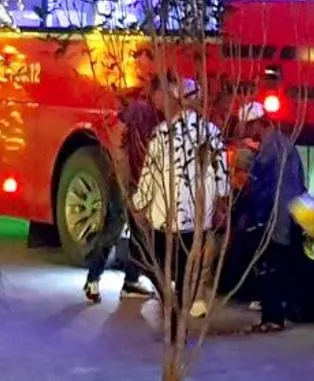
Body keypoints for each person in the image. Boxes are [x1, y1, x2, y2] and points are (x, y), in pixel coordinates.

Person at [132, 79, 228, 320]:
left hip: (164, 217)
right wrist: (220, 204)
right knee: (188, 269)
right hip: (197, 219)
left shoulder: (162, 134)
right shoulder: (212, 133)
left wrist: (139, 204)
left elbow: (148, 175)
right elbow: (222, 179)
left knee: (161, 266)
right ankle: (182, 315)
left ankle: (171, 308)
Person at [84, 79, 162, 303]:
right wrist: (123, 174)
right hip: (127, 180)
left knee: (137, 232)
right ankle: (94, 279)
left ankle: (130, 280)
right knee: (115, 228)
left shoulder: (153, 114)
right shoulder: (140, 111)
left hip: (136, 180)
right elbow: (118, 138)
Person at [236, 102, 310, 333]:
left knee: (272, 267)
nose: (246, 132)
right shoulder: (280, 143)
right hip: (288, 213)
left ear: (257, 124)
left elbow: (265, 188)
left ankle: (273, 318)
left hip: (277, 217)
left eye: (248, 127)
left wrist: (258, 219)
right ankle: (279, 313)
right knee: (280, 266)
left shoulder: (271, 148)